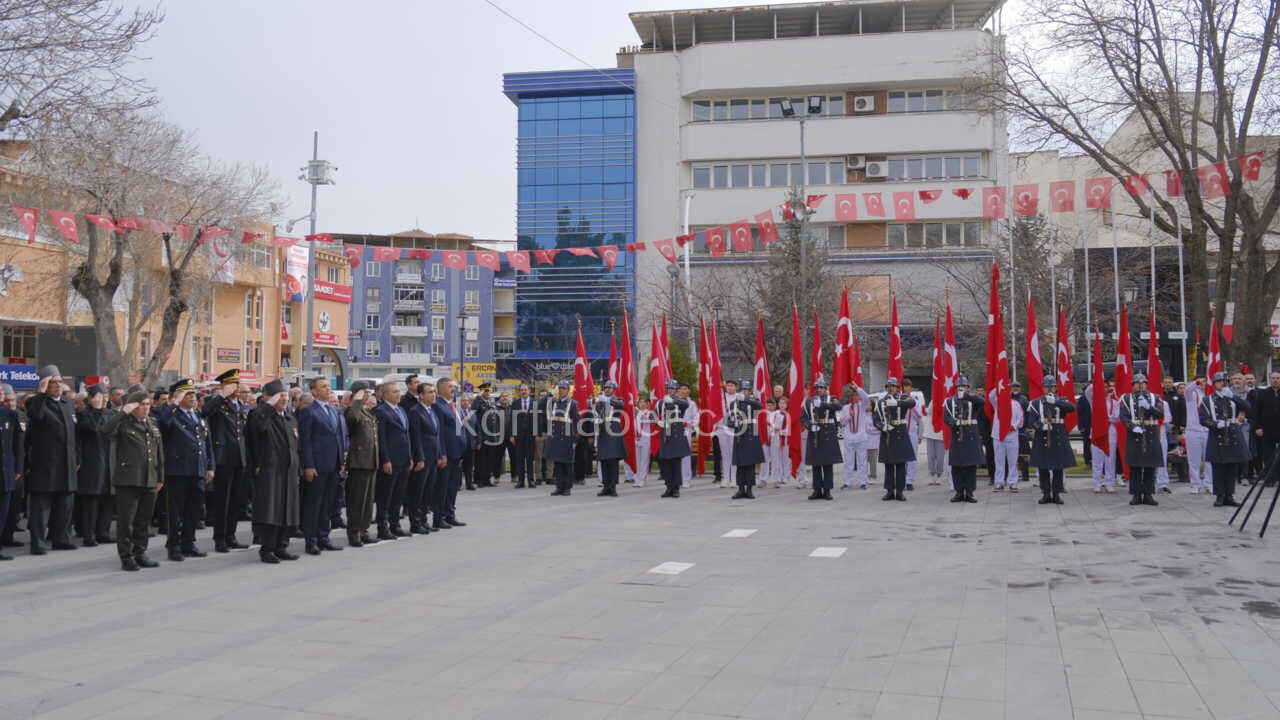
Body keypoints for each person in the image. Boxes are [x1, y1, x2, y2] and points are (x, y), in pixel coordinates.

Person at [103, 390, 163, 571]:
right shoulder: (123, 423)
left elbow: (159, 452)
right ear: (134, 406)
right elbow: (105, 430)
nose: (146, 408)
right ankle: (126, 556)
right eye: (142, 405)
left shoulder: (152, 423)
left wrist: (160, 476)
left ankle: (140, 552)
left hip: (149, 478)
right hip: (128, 479)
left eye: (147, 404)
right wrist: (123, 412)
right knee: (126, 522)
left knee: (143, 520)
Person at [155, 379, 214, 561]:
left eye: (193, 394)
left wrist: (210, 466)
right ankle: (174, 546)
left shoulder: (198, 415)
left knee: (193, 510)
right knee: (175, 512)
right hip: (178, 470)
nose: (192, 397)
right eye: (187, 394)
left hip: (197, 469)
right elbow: (163, 423)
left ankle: (189, 542)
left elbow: (207, 443)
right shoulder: (172, 414)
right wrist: (173, 403)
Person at [26, 365, 79, 554]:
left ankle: (61, 538)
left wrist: (76, 459)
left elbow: (74, 434)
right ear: (44, 384)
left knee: (65, 506)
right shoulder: (36, 402)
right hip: (46, 464)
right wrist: (40, 393)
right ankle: (38, 543)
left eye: (59, 381)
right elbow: (35, 416)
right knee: (42, 508)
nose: (57, 385)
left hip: (66, 463)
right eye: (52, 382)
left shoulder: (67, 403)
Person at [246, 379, 301, 563]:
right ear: (268, 398)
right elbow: (258, 427)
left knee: (288, 511)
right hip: (270, 472)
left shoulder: (290, 418)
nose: (284, 399)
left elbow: (295, 447)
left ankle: (282, 546)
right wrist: (268, 405)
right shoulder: (259, 415)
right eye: (280, 396)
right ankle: (267, 548)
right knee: (271, 511)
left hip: (289, 472)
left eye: (286, 395)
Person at [298, 377, 348, 554]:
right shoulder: (309, 411)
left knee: (327, 504)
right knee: (314, 504)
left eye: (329, 386)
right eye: (323, 387)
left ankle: (323, 537)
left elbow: (339, 436)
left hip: (333, 464)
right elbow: (305, 441)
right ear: (314, 391)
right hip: (317, 465)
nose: (328, 389)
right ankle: (311, 540)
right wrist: (309, 465)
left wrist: (341, 462)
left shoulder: (335, 410)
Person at [203, 369, 249, 553]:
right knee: (223, 500)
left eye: (238, 384)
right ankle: (220, 538)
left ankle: (231, 535)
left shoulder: (240, 406)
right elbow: (205, 412)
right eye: (233, 384)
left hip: (239, 458)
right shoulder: (217, 404)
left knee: (235, 500)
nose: (237, 388)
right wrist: (222, 394)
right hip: (223, 458)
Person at [1200, 371, 1250, 507]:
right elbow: (1203, 419)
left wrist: (1234, 396)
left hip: (1233, 434)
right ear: (1215, 384)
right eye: (1219, 381)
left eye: (1224, 381)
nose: (1222, 383)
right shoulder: (1207, 400)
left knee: (1232, 467)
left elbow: (1248, 407)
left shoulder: (1233, 397)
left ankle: (1229, 495)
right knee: (1218, 468)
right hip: (1218, 435)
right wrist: (1216, 425)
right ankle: (1220, 495)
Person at [75, 384, 116, 546]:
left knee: (108, 498)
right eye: (100, 396)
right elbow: (93, 429)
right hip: (92, 462)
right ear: (91, 398)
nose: (104, 400)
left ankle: (103, 532)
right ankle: (88, 534)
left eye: (105, 396)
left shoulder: (110, 413)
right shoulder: (83, 414)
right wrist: (97, 409)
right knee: (91, 500)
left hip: (109, 461)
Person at [1027, 376, 1075, 505]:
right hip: (1042, 436)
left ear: (1055, 388)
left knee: (1057, 467)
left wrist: (1055, 401)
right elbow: (1031, 422)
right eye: (1047, 387)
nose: (1049, 389)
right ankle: (1046, 493)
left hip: (1058, 436)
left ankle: (1057, 493)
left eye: (1052, 386)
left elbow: (1071, 408)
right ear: (1043, 388)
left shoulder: (1061, 400)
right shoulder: (1035, 403)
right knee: (1043, 467)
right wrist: (1040, 425)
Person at [373, 380, 412, 539]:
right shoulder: (381, 411)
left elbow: (406, 435)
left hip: (403, 459)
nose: (399, 394)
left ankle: (395, 525)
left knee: (399, 495)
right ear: (385, 394)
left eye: (399, 391)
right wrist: (386, 460)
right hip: (391, 460)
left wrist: (410, 456)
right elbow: (381, 438)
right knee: (385, 496)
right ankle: (383, 527)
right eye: (394, 391)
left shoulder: (401, 410)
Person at [1119, 373, 1165, 506]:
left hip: (1151, 434)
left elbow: (1160, 414)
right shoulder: (1126, 399)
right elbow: (1123, 416)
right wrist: (1132, 427)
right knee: (1135, 467)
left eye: (1143, 383)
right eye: (1137, 384)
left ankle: (1148, 494)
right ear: (1133, 385)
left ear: (1147, 384)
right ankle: (1136, 494)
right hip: (1135, 434)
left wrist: (1149, 407)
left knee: (1150, 466)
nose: (1140, 386)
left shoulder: (1155, 397)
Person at [343, 381, 379, 546]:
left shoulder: (367, 412)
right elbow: (353, 418)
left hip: (370, 461)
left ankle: (364, 529)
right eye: (364, 392)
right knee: (357, 500)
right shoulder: (353, 410)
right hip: (359, 462)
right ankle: (354, 532)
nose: (367, 395)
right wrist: (356, 400)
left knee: (368, 500)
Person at [431, 377, 466, 528]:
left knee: (452, 487)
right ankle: (439, 518)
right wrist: (442, 453)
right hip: (447, 454)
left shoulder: (453, 406)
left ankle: (450, 514)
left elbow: (459, 429)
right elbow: (439, 434)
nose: (453, 389)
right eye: (450, 387)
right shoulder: (438, 406)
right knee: (442, 488)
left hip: (457, 453)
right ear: (441, 389)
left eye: (454, 387)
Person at [408, 379, 442, 531]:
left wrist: (440, 455)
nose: (433, 395)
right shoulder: (415, 412)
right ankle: (415, 522)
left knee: (428, 491)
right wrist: (419, 458)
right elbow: (416, 437)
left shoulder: (432, 411)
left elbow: (436, 435)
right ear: (420, 395)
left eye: (434, 392)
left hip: (433, 457)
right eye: (430, 392)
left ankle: (423, 520)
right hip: (423, 458)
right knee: (418, 491)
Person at [944, 377, 986, 502]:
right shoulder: (949, 401)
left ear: (968, 387)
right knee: (957, 465)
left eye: (964, 386)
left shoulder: (972, 400)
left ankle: (969, 492)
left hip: (970, 435)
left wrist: (966, 396)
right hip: (957, 435)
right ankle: (958, 491)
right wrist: (954, 422)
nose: (961, 388)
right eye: (958, 387)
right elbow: (946, 418)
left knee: (970, 466)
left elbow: (982, 401)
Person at [874, 377, 916, 501]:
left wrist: (897, 403)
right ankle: (890, 490)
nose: (890, 388)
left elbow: (912, 403)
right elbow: (876, 419)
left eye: (893, 386)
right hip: (887, 434)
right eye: (888, 386)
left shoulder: (902, 398)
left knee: (901, 465)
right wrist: (882, 426)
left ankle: (900, 491)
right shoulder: (881, 401)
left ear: (897, 387)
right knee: (889, 464)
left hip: (900, 433)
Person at [802, 378, 842, 501]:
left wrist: (823, 404)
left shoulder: (831, 398)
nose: (819, 390)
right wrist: (809, 426)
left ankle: (827, 490)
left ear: (825, 388)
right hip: (815, 434)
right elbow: (803, 418)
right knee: (816, 463)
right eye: (817, 388)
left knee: (827, 464)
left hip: (827, 433)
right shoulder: (809, 401)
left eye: (821, 387)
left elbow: (838, 406)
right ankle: (817, 489)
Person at [726, 380, 764, 499]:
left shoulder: (753, 401)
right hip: (739, 436)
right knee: (740, 464)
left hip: (751, 436)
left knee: (750, 465)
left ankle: (749, 489)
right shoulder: (734, 404)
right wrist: (733, 423)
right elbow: (728, 421)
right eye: (742, 390)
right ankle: (741, 489)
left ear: (749, 391)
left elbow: (760, 406)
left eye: (746, 390)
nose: (744, 392)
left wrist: (745, 399)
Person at [398, 374, 429, 522]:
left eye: (419, 382)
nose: (418, 384)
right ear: (409, 385)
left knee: (422, 485)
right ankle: (408, 507)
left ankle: (420, 508)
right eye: (415, 382)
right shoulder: (405, 402)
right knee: (411, 483)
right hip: (413, 446)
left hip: (425, 447)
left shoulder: (422, 402)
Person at [544, 379, 579, 496]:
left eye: (563, 388)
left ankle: (567, 487)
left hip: (567, 437)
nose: (561, 390)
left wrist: (575, 439)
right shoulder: (553, 401)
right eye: (560, 388)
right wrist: (550, 393)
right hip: (555, 437)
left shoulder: (573, 404)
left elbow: (577, 423)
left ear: (568, 390)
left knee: (567, 464)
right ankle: (559, 486)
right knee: (558, 464)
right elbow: (540, 403)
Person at [0, 383, 23, 561]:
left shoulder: (10, 415)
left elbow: (17, 445)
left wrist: (17, 469)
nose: (2, 395)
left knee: (2, 513)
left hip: (6, 473)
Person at [657, 380, 690, 498]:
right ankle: (668, 486)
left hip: (676, 434)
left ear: (677, 390)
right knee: (666, 462)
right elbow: (654, 414)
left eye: (672, 388)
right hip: (666, 433)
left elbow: (686, 405)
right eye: (668, 388)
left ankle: (676, 488)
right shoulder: (661, 402)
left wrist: (673, 400)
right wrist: (657, 422)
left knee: (676, 462)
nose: (670, 390)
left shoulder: (681, 401)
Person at [992, 379, 1024, 492]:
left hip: (1012, 436)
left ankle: (1012, 482)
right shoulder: (997, 402)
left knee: (1012, 461)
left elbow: (1020, 418)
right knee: (999, 461)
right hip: (998, 435)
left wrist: (1013, 426)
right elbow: (991, 396)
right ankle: (999, 482)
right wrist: (1000, 384)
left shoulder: (1016, 404)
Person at [594, 381, 626, 497]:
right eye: (606, 388)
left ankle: (613, 487)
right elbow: (597, 412)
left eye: (610, 388)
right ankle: (605, 486)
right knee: (604, 460)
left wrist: (606, 400)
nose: (607, 390)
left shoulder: (619, 399)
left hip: (614, 431)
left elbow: (620, 405)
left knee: (613, 461)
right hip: (603, 431)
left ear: (614, 390)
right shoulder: (600, 402)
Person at [1185, 374, 1213, 494]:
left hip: (1207, 430)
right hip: (1193, 430)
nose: (1203, 383)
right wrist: (1195, 383)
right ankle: (1195, 483)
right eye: (1200, 381)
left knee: (1209, 459)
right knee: (1194, 460)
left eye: (1204, 381)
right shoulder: (1191, 394)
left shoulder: (1209, 395)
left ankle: (1209, 483)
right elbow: (1187, 390)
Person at [840, 382, 871, 490]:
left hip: (861, 438)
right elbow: (842, 422)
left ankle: (863, 481)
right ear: (850, 397)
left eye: (856, 395)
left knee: (862, 461)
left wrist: (857, 388)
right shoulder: (845, 408)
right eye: (853, 395)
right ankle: (847, 482)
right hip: (849, 438)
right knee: (849, 461)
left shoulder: (862, 406)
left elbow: (866, 398)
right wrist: (849, 415)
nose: (854, 397)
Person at [1251, 370, 1280, 484]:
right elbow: (1256, 412)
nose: (1276, 380)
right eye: (1273, 378)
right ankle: (1270, 479)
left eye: (1278, 378)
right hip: (1266, 430)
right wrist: (1257, 427)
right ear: (1269, 379)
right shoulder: (1263, 393)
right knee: (1268, 455)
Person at [1092, 380, 1120, 493]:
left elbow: (1117, 418)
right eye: (1101, 387)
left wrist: (1107, 419)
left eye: (1105, 387)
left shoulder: (1114, 402)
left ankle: (1109, 482)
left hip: (1110, 431)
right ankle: (1097, 482)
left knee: (1110, 458)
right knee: (1097, 459)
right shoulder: (1094, 400)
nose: (1103, 389)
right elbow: (1089, 391)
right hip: (1097, 431)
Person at [510, 383, 538, 488]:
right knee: (520, 459)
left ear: (529, 391)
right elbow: (511, 419)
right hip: (519, 436)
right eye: (522, 390)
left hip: (531, 436)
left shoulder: (535, 403)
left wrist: (538, 434)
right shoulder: (515, 403)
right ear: (520, 391)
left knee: (530, 459)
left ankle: (531, 480)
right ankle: (521, 481)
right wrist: (512, 435)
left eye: (525, 390)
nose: (523, 391)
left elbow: (537, 419)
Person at [901, 379, 925, 490]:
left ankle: (909, 481)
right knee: (901, 457)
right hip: (901, 431)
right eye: (904, 386)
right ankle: (901, 479)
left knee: (912, 457)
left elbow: (919, 416)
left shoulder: (915, 400)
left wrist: (911, 405)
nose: (906, 388)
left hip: (912, 431)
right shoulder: (898, 399)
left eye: (908, 386)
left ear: (911, 387)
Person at [713, 380, 738, 488]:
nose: (729, 387)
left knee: (733, 454)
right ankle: (725, 478)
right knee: (725, 454)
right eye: (727, 385)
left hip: (733, 429)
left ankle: (734, 478)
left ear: (736, 387)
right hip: (722, 428)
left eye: (731, 385)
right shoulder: (721, 397)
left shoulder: (738, 398)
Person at [631, 396, 656, 487]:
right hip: (637, 439)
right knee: (637, 460)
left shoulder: (651, 413)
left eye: (643, 402)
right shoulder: (636, 414)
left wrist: (640, 413)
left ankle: (642, 479)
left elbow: (649, 421)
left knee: (644, 461)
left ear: (648, 404)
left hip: (646, 439)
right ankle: (637, 479)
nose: (641, 404)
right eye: (640, 402)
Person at [767, 396, 790, 488]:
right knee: (776, 458)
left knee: (785, 459)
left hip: (785, 438)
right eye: (780, 403)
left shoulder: (788, 414)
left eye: (784, 403)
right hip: (776, 438)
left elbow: (788, 429)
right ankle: (777, 477)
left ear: (787, 405)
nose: (782, 405)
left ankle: (786, 476)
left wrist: (779, 430)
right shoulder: (775, 413)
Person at [678, 383, 697, 487]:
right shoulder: (674, 402)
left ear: (689, 391)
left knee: (685, 456)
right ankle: (677, 478)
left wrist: (691, 424)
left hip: (686, 430)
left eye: (686, 389)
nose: (683, 391)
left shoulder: (692, 404)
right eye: (681, 389)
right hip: (675, 431)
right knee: (676, 456)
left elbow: (696, 417)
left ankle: (686, 479)